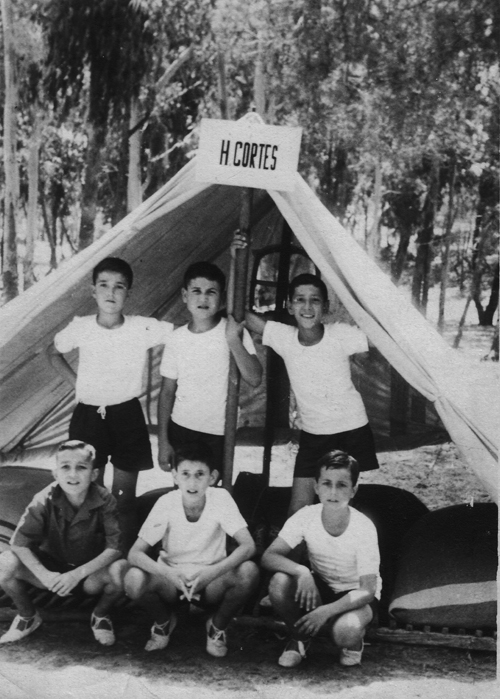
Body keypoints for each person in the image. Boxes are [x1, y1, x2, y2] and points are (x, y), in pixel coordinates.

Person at [46, 257, 173, 548]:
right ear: (93, 291)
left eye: (119, 286)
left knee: (124, 499)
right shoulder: (81, 327)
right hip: (88, 417)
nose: (111, 292)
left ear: (128, 292)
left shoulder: (142, 327)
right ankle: (91, 555)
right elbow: (52, 353)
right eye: (103, 285)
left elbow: (184, 332)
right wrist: (78, 384)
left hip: (127, 415)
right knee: (89, 495)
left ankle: (122, 556)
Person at [244, 263, 379, 516]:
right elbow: (246, 318)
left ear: (325, 307)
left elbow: (379, 338)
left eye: (315, 300)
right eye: (300, 300)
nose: (307, 307)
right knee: (298, 509)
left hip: (350, 428)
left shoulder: (340, 335)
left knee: (342, 505)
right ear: (290, 306)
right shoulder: (284, 337)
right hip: (314, 433)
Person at [124, 442, 259, 657]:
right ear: (175, 476)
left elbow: (248, 545)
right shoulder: (166, 502)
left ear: (212, 477)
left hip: (211, 580)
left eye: (200, 474)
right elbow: (135, 553)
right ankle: (163, 622)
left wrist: (212, 572)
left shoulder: (221, 498)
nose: (192, 482)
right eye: (185, 474)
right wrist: (168, 573)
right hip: (172, 579)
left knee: (248, 572)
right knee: (133, 578)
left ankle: (217, 626)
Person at [0, 440, 127, 646]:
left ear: (94, 474)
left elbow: (114, 548)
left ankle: (100, 615)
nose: (73, 474)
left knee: (121, 570)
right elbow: (19, 543)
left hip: (88, 575)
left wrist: (76, 574)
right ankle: (28, 616)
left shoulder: (105, 499)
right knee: (5, 562)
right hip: (51, 573)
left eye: (81, 467)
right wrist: (44, 574)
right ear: (55, 473)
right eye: (65, 467)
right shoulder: (44, 498)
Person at [261, 450, 381, 668]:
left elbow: (367, 590)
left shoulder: (363, 527)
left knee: (344, 632)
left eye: (342, 485)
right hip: (322, 584)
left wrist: (326, 611)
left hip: (355, 594)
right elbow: (269, 556)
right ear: (316, 487)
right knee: (279, 582)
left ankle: (354, 642)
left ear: (353, 490)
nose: (333, 492)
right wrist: (301, 571)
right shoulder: (306, 516)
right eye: (326, 483)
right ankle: (299, 638)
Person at [157, 261, 262, 473]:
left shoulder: (232, 330)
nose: (203, 298)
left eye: (211, 292)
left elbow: (255, 378)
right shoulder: (176, 338)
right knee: (185, 487)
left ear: (221, 298)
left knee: (214, 488)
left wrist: (233, 341)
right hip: (181, 428)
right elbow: (167, 392)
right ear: (185, 295)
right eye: (196, 291)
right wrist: (163, 441)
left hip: (219, 432)